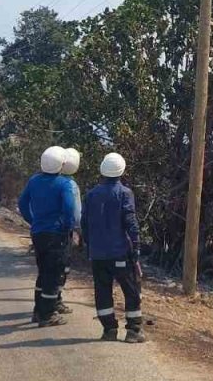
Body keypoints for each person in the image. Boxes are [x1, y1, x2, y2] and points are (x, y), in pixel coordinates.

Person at [81, 152, 147, 343]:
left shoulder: (91, 195)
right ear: (122, 171)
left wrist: (90, 245)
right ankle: (134, 331)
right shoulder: (125, 193)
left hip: (98, 254)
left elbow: (84, 223)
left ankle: (109, 330)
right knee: (131, 289)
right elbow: (131, 223)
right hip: (120, 253)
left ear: (102, 170)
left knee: (102, 291)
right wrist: (136, 249)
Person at [18, 146, 78, 327]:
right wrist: (67, 228)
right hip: (56, 234)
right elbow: (69, 210)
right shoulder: (64, 184)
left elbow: (22, 203)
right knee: (53, 274)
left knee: (43, 272)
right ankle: (47, 315)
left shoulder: (34, 181)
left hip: (38, 234)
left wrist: (32, 220)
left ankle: (38, 311)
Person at [52, 148, 84, 316]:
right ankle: (55, 300)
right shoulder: (70, 185)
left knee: (48, 268)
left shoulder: (50, 179)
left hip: (46, 231)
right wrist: (79, 231)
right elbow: (76, 213)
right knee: (62, 266)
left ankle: (49, 301)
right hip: (64, 231)